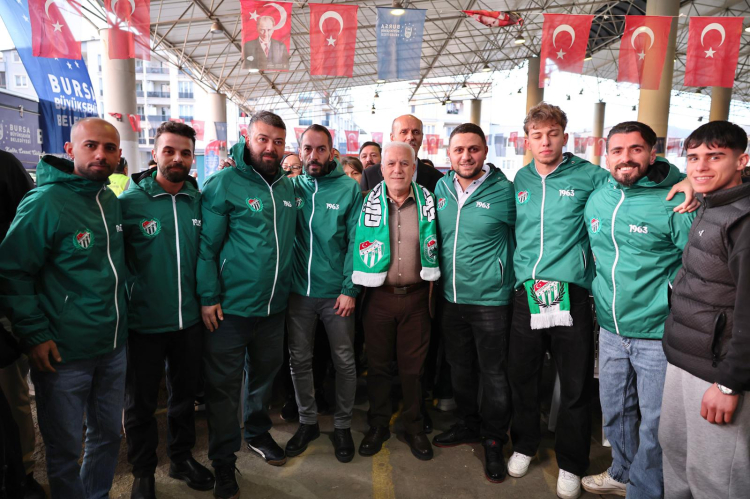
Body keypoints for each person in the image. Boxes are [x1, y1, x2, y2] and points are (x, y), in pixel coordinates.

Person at [507, 103, 695, 499]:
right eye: (537, 136)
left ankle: (571, 464)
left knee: (575, 386)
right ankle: (524, 444)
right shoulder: (520, 179)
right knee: (523, 379)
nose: (545, 142)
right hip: (527, 295)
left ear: (565, 137)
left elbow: (640, 179)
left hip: (572, 296)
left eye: (553, 134)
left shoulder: (592, 176)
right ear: (527, 141)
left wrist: (687, 179)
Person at [0, 117, 128, 498]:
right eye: (91, 146)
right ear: (70, 149)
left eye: (109, 148)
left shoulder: (110, 200)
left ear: (119, 155)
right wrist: (34, 334)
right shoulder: (45, 202)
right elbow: (12, 271)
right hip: (63, 353)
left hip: (113, 347)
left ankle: (96, 493)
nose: (101, 154)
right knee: (65, 449)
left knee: (108, 435)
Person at [581, 122, 695, 498]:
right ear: (607, 156)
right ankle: (622, 472)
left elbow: (698, 267)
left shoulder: (675, 201)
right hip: (610, 327)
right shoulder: (599, 196)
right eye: (617, 150)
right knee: (615, 410)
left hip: (656, 332)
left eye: (635, 149)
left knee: (655, 422)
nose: (626, 158)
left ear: (652, 153)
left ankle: (644, 490)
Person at [197, 111, 296, 499]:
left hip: (273, 309)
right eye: (263, 139)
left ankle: (256, 432)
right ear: (248, 138)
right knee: (223, 390)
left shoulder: (287, 186)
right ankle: (223, 460)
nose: (270, 148)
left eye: (278, 141)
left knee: (263, 378)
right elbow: (206, 248)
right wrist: (208, 297)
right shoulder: (224, 183)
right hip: (230, 310)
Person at [120, 121, 214, 498]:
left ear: (192, 158)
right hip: (143, 322)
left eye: (185, 153)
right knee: (140, 403)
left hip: (189, 321)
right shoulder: (128, 203)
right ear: (154, 153)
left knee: (184, 397)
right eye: (169, 151)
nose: (178, 158)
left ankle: (180, 458)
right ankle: (143, 471)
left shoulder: (198, 200)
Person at [660, 120, 750, 499]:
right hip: (684, 360)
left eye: (715, 157)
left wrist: (729, 383)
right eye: (694, 158)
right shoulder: (710, 203)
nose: (700, 166)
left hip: (717, 374)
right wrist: (691, 183)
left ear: (742, 160)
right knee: (676, 460)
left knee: (716, 480)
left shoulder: (743, 220)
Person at [431, 123, 516, 483]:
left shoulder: (506, 192)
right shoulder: (441, 187)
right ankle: (468, 423)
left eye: (473, 149)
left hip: (491, 301)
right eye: (459, 150)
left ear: (485, 152)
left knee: (494, 373)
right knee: (460, 369)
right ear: (449, 154)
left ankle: (494, 438)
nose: (466, 156)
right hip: (451, 298)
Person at [354, 141, 440, 461]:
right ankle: (378, 424)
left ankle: (414, 426)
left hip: (417, 299)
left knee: (413, 370)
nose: (397, 169)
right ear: (381, 169)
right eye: (391, 164)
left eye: (405, 163)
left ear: (414, 168)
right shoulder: (365, 203)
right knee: (377, 367)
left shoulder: (430, 202)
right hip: (378, 298)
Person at [284, 125, 362, 463]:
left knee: (344, 361)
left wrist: (349, 289)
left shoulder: (349, 189)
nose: (313, 155)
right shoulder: (291, 188)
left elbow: (357, 241)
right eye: (307, 148)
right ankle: (307, 422)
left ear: (332, 152)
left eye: (320, 149)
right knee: (299, 360)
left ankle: (342, 425)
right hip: (298, 293)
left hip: (336, 294)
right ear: (299, 150)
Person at [0, 149, 46, 499]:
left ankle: (22, 471)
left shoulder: (5, 166)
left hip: (4, 304)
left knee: (11, 392)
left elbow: (28, 233)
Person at [360, 115, 443, 193]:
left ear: (422, 137)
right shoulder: (369, 175)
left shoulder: (437, 178)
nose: (410, 137)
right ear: (392, 137)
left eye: (416, 132)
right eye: (404, 132)